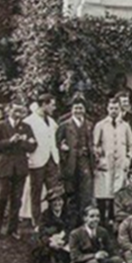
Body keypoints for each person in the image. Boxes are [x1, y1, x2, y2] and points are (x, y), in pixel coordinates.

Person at [0, 101, 37, 241]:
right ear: (9, 111)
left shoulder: (26, 127)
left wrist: (22, 142)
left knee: (16, 200)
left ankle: (13, 229)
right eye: (16, 111)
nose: (18, 114)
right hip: (3, 168)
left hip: (19, 169)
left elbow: (33, 146)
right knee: (0, 200)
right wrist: (10, 141)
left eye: (21, 112)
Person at [93, 98, 132, 229]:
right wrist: (99, 159)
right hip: (105, 164)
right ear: (107, 108)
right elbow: (95, 145)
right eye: (111, 108)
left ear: (120, 109)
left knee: (116, 191)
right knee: (103, 192)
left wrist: (128, 158)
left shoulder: (125, 125)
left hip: (120, 163)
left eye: (116, 108)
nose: (113, 111)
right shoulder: (100, 125)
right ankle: (101, 220)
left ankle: (113, 219)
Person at [57, 97, 94, 227]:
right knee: (71, 192)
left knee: (86, 192)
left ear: (84, 110)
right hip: (70, 163)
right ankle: (70, 222)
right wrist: (63, 150)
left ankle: (84, 220)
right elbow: (58, 145)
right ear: (71, 110)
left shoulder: (89, 125)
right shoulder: (64, 125)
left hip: (85, 162)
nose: (78, 110)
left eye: (81, 108)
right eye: (76, 108)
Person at [24, 94, 60, 229]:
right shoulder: (29, 121)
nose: (54, 108)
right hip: (36, 161)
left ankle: (53, 220)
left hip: (51, 161)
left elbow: (54, 139)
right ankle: (37, 222)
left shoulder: (51, 121)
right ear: (44, 104)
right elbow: (25, 144)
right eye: (52, 104)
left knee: (54, 193)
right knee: (36, 192)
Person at [33, 187, 71, 263]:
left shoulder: (68, 214)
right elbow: (42, 231)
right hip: (51, 241)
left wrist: (63, 239)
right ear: (50, 203)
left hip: (63, 240)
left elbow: (70, 229)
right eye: (54, 201)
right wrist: (50, 241)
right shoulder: (45, 215)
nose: (57, 203)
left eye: (60, 201)